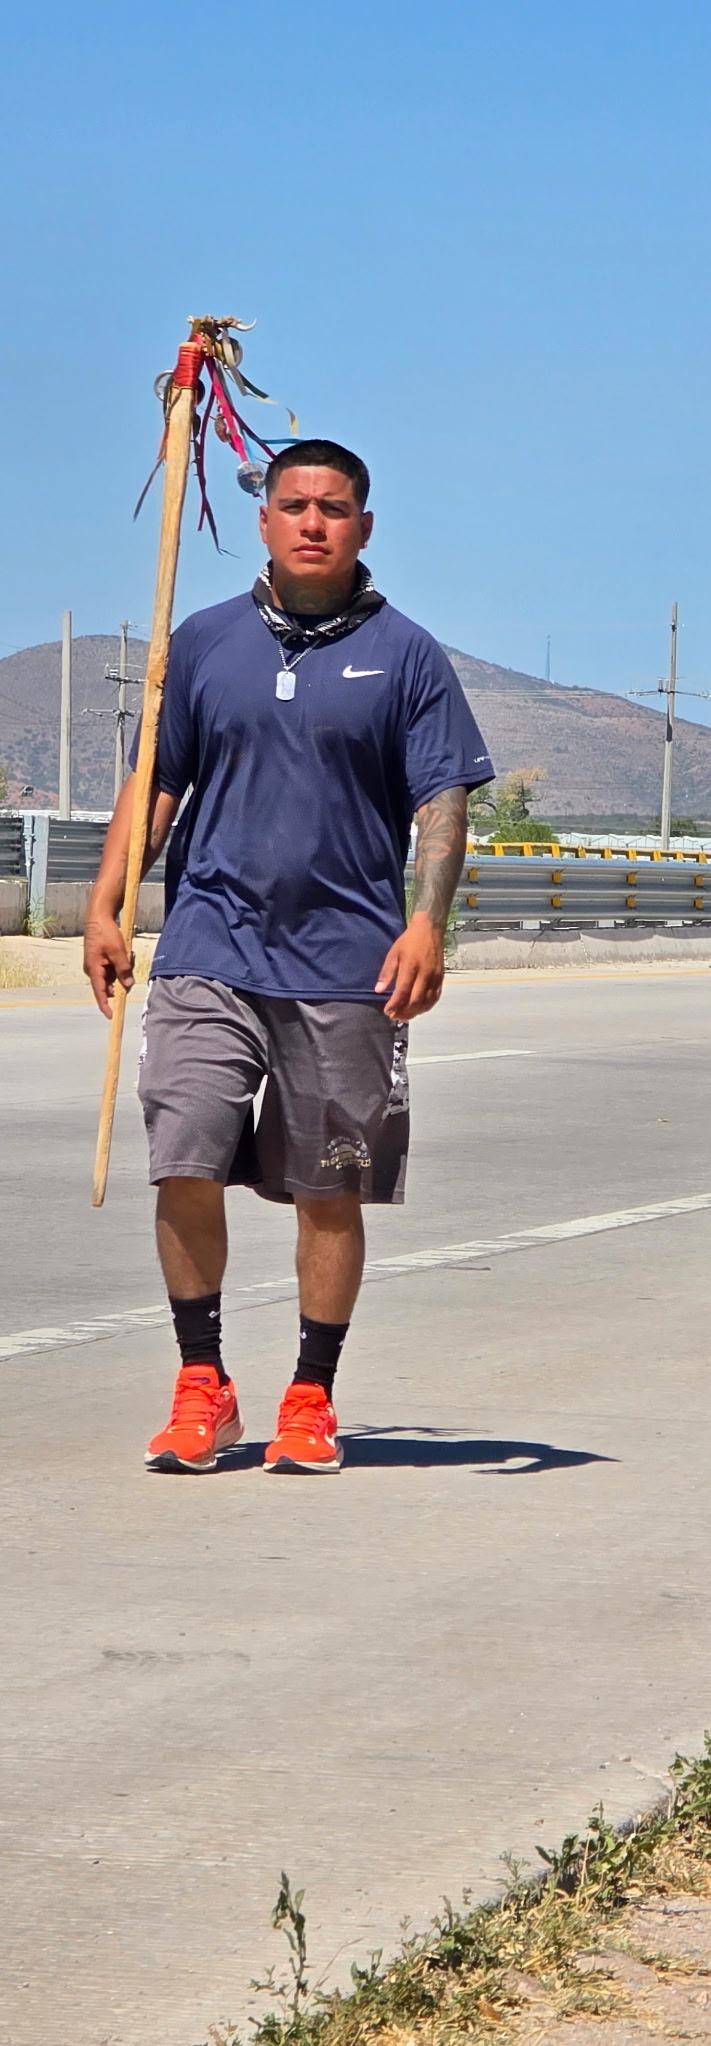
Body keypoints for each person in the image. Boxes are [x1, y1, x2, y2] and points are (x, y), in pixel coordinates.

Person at [84, 439, 493, 1475]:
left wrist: (427, 922)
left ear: (364, 526)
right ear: (263, 519)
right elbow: (157, 785)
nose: (314, 522)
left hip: (347, 963)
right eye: (296, 504)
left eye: (335, 508)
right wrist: (105, 904)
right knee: (183, 1158)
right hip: (207, 948)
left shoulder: (408, 655)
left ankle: (310, 1395)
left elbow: (441, 801)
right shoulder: (204, 642)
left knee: (328, 1187)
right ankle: (202, 1383)